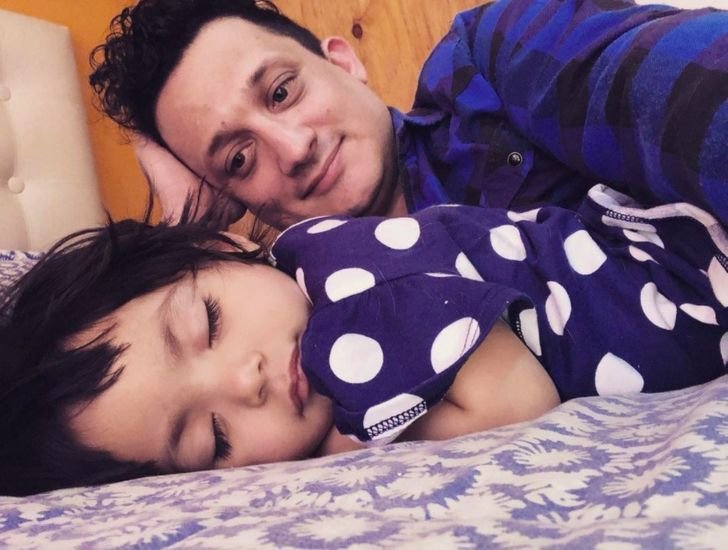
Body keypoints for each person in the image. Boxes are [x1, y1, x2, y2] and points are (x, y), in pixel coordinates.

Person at [2, 181, 726, 495]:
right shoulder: (308, 284)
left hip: (685, 284)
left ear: (226, 247)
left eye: (208, 324)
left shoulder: (345, 295)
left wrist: (350, 442)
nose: (244, 380)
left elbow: (516, 403)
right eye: (211, 440)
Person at [90, 0, 728, 229]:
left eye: (281, 92)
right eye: (238, 159)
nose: (292, 148)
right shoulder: (295, 310)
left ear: (344, 63)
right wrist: (190, 235)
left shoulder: (484, 61)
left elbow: (673, 86)